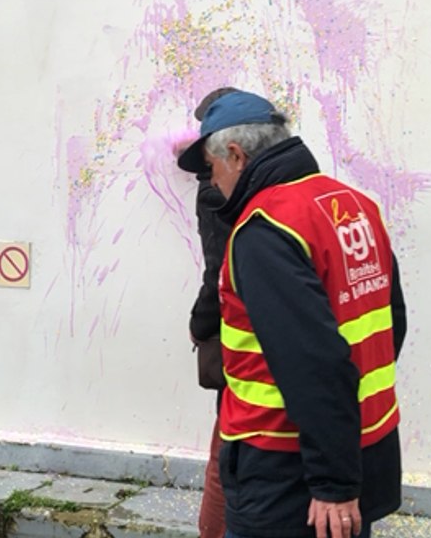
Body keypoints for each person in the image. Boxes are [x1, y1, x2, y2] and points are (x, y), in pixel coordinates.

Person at [176, 91, 407, 538]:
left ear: (236, 156)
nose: (212, 182)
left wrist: (333, 483)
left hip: (285, 468)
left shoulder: (265, 229)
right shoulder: (355, 205)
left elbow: (312, 360)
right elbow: (390, 322)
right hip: (361, 445)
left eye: (211, 167)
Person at [187, 86, 237, 538]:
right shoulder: (220, 190)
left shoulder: (216, 192)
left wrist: (201, 323)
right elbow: (220, 268)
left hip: (239, 341)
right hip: (244, 343)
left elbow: (217, 269)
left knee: (226, 454)